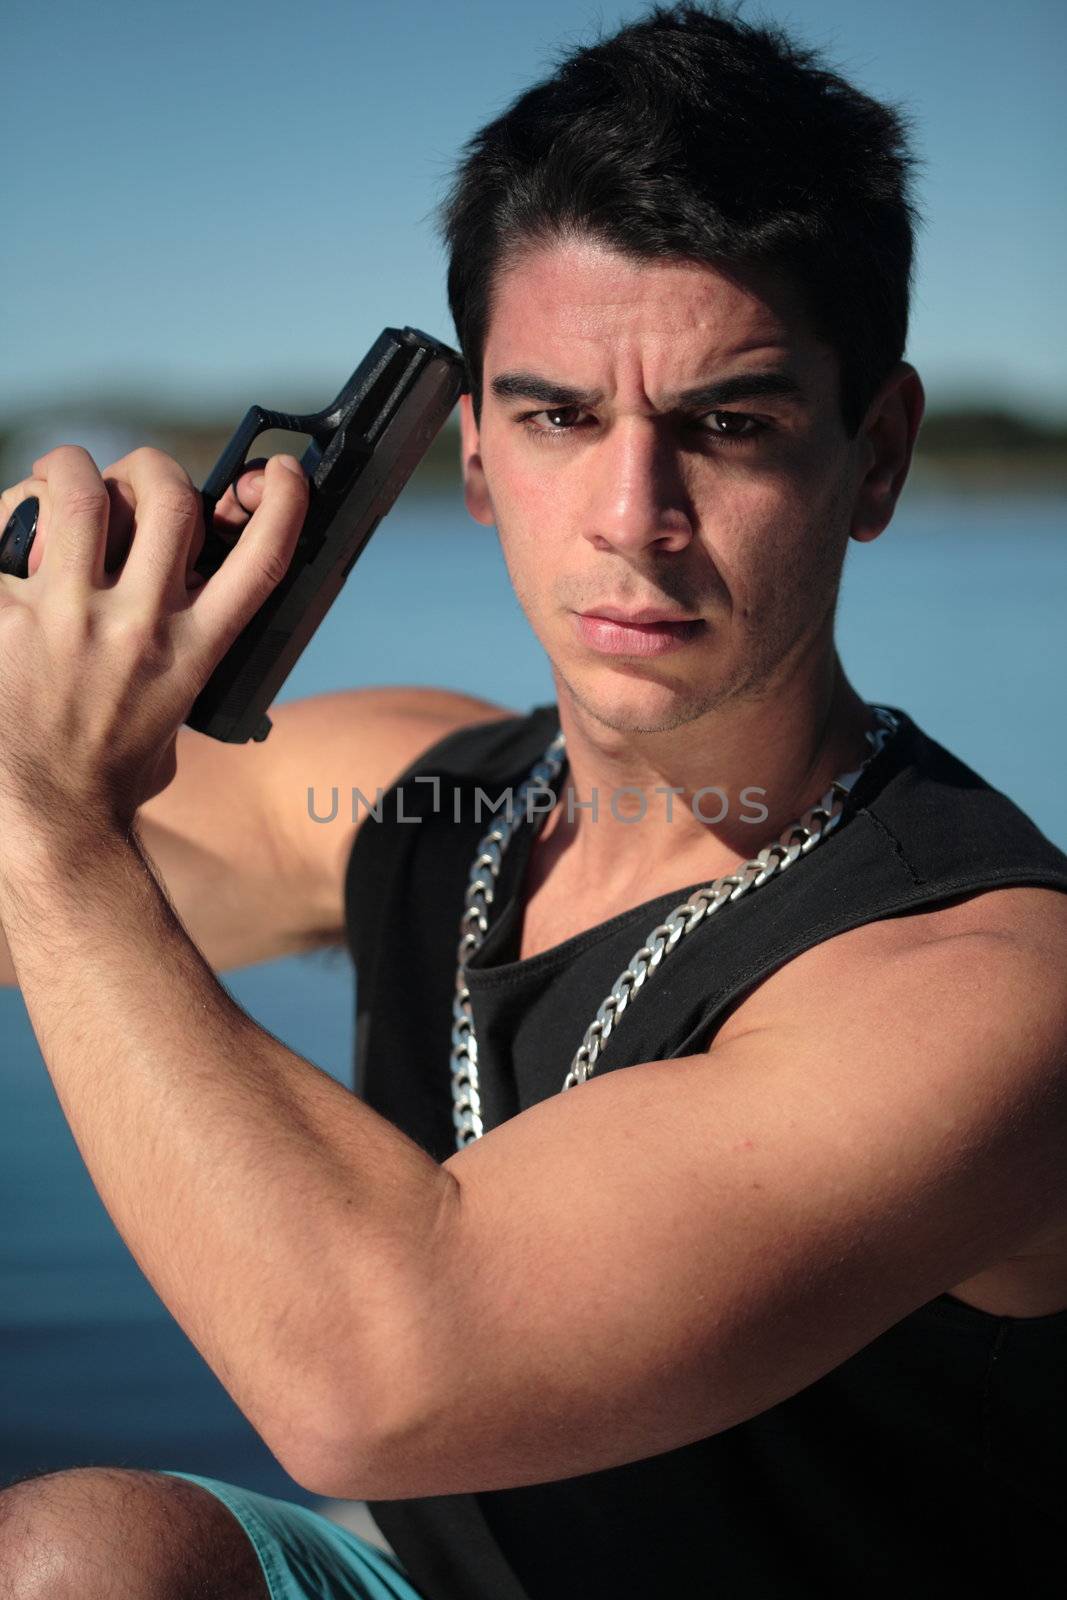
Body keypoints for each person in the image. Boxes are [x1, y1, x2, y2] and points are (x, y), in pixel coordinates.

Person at [1, 3, 1065, 1596]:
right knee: (77, 1556)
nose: (632, 516)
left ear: (881, 453)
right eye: (561, 416)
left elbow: (373, 1383)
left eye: (732, 423)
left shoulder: (980, 990)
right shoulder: (422, 794)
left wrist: (55, 825)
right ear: (478, 453)